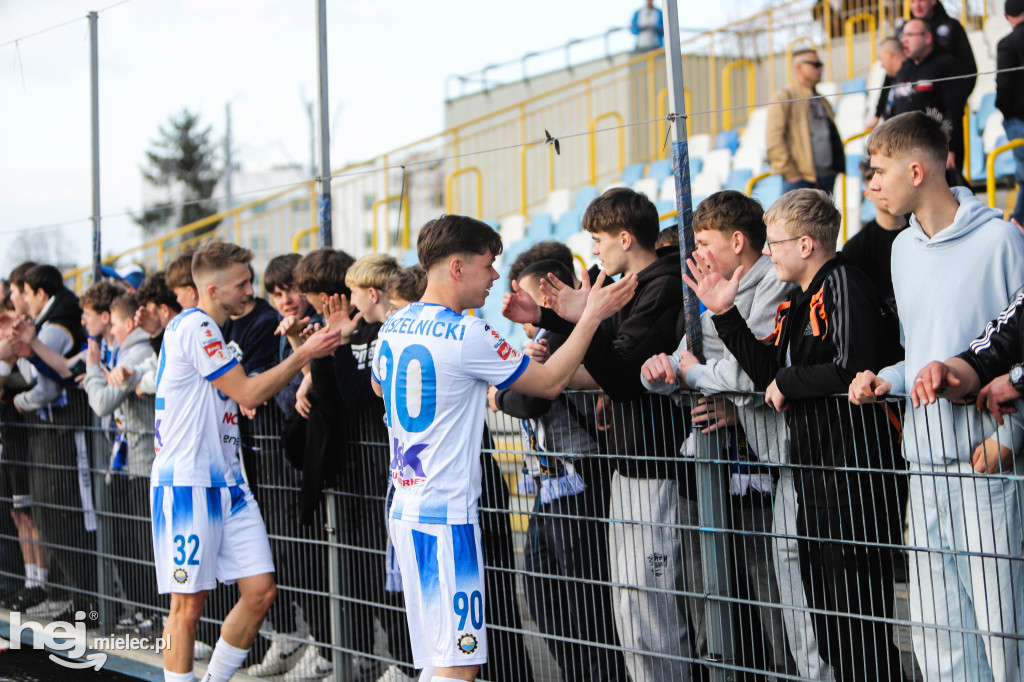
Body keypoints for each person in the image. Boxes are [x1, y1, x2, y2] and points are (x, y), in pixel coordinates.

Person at [372, 214, 636, 682]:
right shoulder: (467, 332)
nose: (496, 276)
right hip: (447, 517)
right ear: (457, 267)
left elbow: (378, 386)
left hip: (405, 509)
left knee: (438, 660)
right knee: (460, 665)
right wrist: (590, 315)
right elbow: (550, 382)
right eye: (488, 264)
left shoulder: (395, 325)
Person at [686, 188, 907, 682]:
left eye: (775, 242)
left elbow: (852, 366)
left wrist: (787, 382)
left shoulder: (844, 281)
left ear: (806, 245)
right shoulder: (801, 298)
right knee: (830, 627)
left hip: (857, 480)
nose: (767, 251)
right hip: (816, 477)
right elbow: (769, 372)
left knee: (859, 626)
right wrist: (725, 312)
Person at [849, 110, 1024, 682]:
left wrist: (1010, 439)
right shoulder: (901, 250)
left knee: (1005, 635)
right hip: (922, 472)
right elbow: (919, 353)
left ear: (917, 170)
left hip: (986, 471)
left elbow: (1017, 350)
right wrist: (888, 380)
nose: (870, 184)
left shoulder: (1000, 241)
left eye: (877, 172)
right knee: (937, 636)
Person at [505, 188, 689, 682]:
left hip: (657, 462)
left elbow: (623, 373)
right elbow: (605, 352)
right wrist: (556, 316)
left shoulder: (661, 286)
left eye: (598, 239)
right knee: (629, 604)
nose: (594, 249)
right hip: (628, 465)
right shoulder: (630, 287)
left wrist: (580, 317)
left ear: (624, 238)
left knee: (653, 604)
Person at [639, 190, 822, 681]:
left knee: (786, 607)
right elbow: (681, 362)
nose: (694, 254)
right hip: (725, 469)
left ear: (737, 241)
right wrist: (657, 371)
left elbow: (752, 375)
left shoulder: (773, 286)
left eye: (701, 241)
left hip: (780, 466)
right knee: (722, 604)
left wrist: (703, 379)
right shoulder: (707, 290)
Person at [151, 242, 342, 682]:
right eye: (242, 284)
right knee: (187, 605)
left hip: (229, 482)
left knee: (260, 591)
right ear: (213, 289)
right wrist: (303, 354)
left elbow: (238, 392)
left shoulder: (213, 331)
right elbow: (249, 391)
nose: (249, 291)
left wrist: (242, 397)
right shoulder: (195, 326)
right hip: (188, 484)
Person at [490, 258, 626, 682]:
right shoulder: (541, 339)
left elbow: (530, 400)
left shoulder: (564, 333)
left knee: (586, 601)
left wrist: (500, 395)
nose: (521, 303)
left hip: (580, 480)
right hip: (551, 488)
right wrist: (511, 385)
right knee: (544, 592)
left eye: (531, 293)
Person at [891, 18, 972, 172]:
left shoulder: (947, 64)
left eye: (910, 35)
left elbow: (954, 111)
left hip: (935, 152)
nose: (904, 41)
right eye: (903, 36)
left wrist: (949, 148)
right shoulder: (904, 69)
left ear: (927, 38)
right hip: (903, 153)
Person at [766, 49, 845, 194]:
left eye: (820, 64)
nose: (820, 68)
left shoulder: (822, 100)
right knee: (796, 217)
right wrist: (792, 174)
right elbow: (773, 140)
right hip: (800, 180)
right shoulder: (784, 97)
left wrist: (834, 170)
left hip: (826, 177)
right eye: (815, 64)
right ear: (798, 68)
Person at [841, 156, 909, 311]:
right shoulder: (856, 249)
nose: (881, 190)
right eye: (875, 186)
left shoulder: (921, 229)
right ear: (867, 194)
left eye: (884, 180)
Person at [900, 0, 977, 96]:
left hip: (946, 102)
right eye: (913, 2)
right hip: (911, 102)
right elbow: (896, 72)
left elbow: (969, 69)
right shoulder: (903, 30)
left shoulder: (952, 27)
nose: (917, 6)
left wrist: (956, 100)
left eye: (921, 1)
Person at [997, 0, 1024, 225]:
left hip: (1019, 119)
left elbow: (1004, 84)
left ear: (1007, 16)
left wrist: (1005, 112)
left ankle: (1018, 222)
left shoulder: (1008, 44)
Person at [867, 38, 907, 129]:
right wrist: (877, 115)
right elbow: (884, 91)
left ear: (889, 54)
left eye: (881, 59)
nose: (881, 65)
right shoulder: (891, 75)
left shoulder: (909, 76)